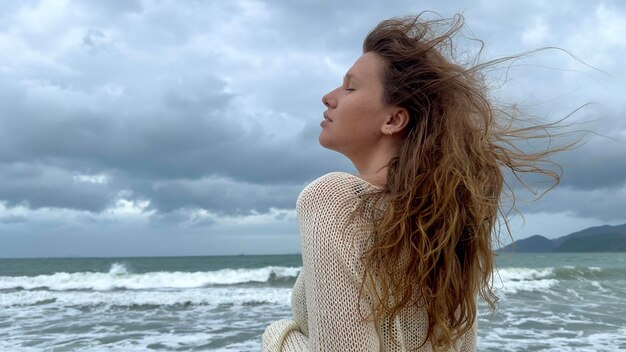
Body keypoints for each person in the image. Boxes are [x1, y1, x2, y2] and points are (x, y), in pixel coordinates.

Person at [262, 13, 570, 352]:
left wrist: (279, 337)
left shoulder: (335, 198)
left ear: (394, 119)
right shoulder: (445, 219)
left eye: (350, 87)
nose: (329, 96)